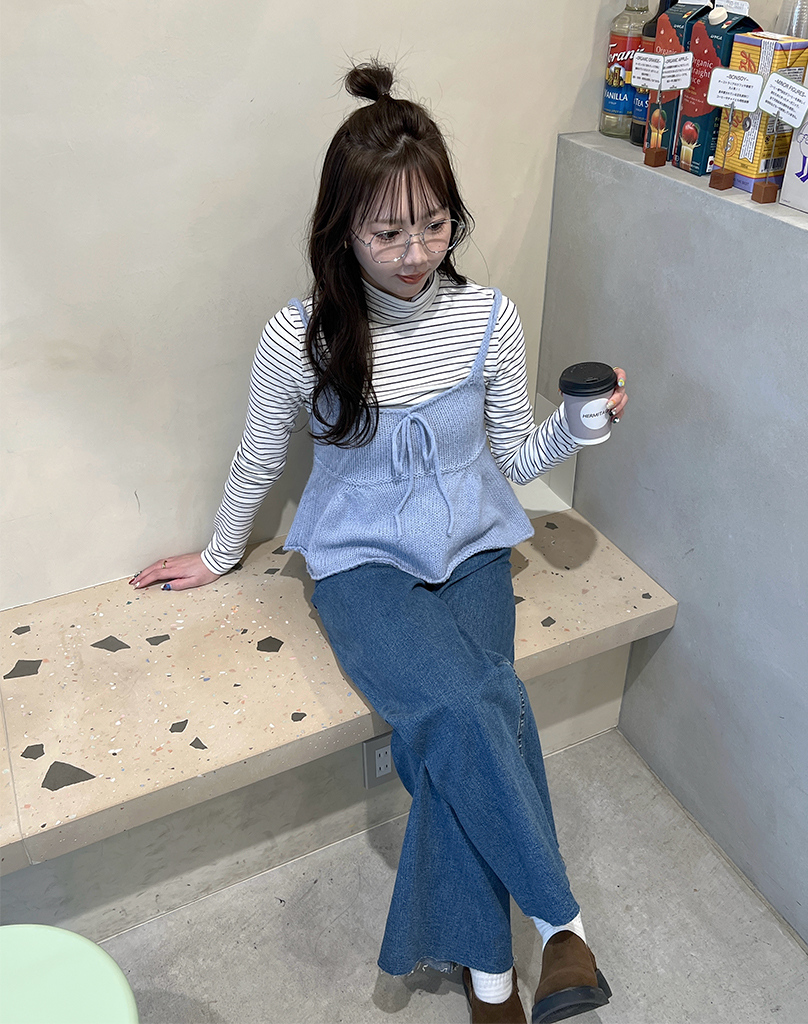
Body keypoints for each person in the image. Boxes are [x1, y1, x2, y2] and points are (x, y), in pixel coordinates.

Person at [130, 60, 628, 1024]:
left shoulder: (487, 317)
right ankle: (561, 926)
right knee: (474, 701)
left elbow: (511, 459)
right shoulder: (301, 335)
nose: (414, 252)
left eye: (434, 225)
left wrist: (579, 425)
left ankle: (493, 984)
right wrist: (221, 553)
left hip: (474, 548)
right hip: (360, 562)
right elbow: (258, 455)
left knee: (462, 723)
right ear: (342, 229)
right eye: (387, 231)